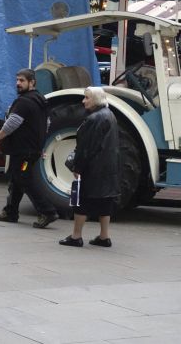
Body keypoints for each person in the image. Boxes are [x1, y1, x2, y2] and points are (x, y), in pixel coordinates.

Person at [0, 68, 59, 228]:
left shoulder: (24, 101)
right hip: (30, 150)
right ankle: (10, 212)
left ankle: (48, 212)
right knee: (17, 180)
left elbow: (12, 123)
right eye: (17, 80)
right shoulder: (41, 100)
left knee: (23, 178)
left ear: (32, 82)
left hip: (24, 151)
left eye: (22, 80)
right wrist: (41, 144)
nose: (18, 83)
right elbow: (47, 124)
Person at [59, 87, 120, 248]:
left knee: (82, 202)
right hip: (108, 167)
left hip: (93, 168)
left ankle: (76, 236)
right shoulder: (110, 115)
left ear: (96, 100)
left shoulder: (93, 119)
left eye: (87, 98)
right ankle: (104, 236)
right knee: (105, 202)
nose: (83, 101)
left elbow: (85, 148)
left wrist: (77, 167)